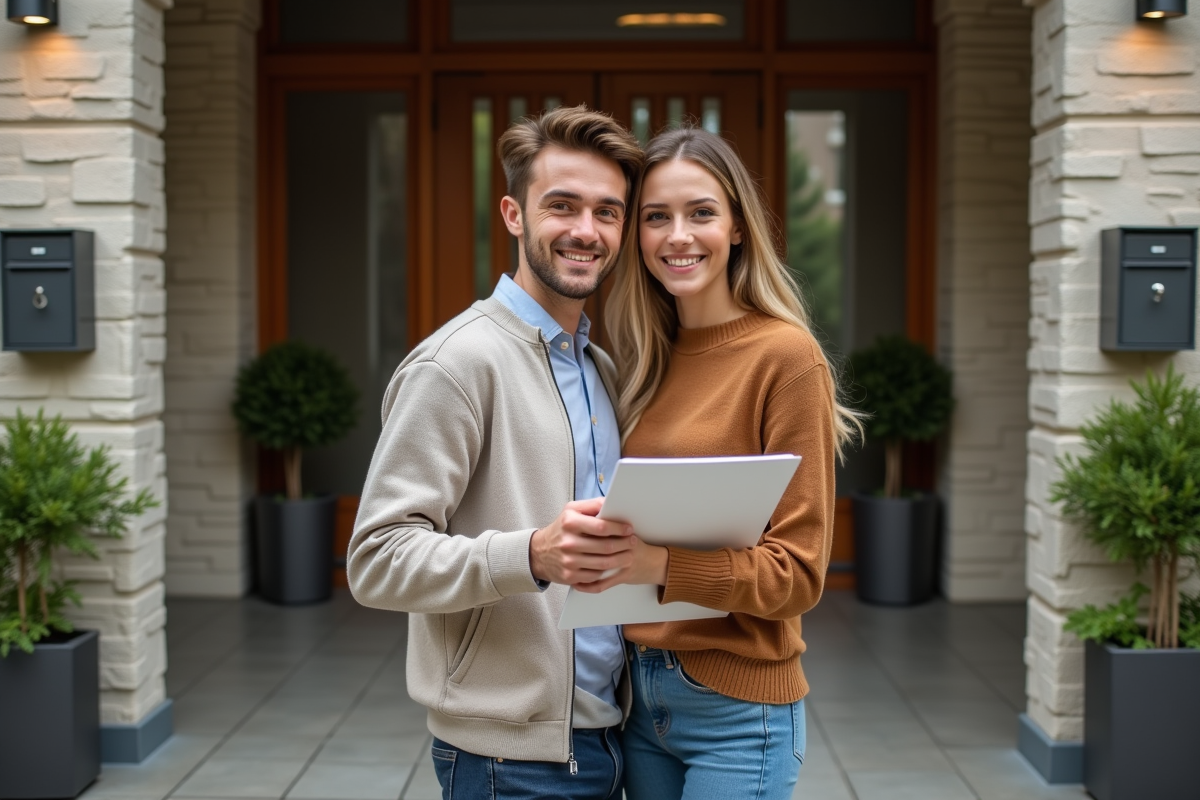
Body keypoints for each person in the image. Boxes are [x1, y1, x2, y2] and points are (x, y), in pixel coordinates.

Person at [346, 105, 644, 800]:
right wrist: (530, 555)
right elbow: (375, 559)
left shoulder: (599, 368)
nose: (585, 230)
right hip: (509, 764)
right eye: (561, 205)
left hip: (606, 740)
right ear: (513, 215)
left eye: (608, 212)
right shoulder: (456, 365)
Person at [600, 126, 863, 800]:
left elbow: (800, 575)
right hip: (638, 695)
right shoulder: (640, 360)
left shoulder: (785, 358)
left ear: (739, 227)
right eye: (656, 217)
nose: (677, 236)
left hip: (737, 710)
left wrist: (660, 565)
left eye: (701, 213)